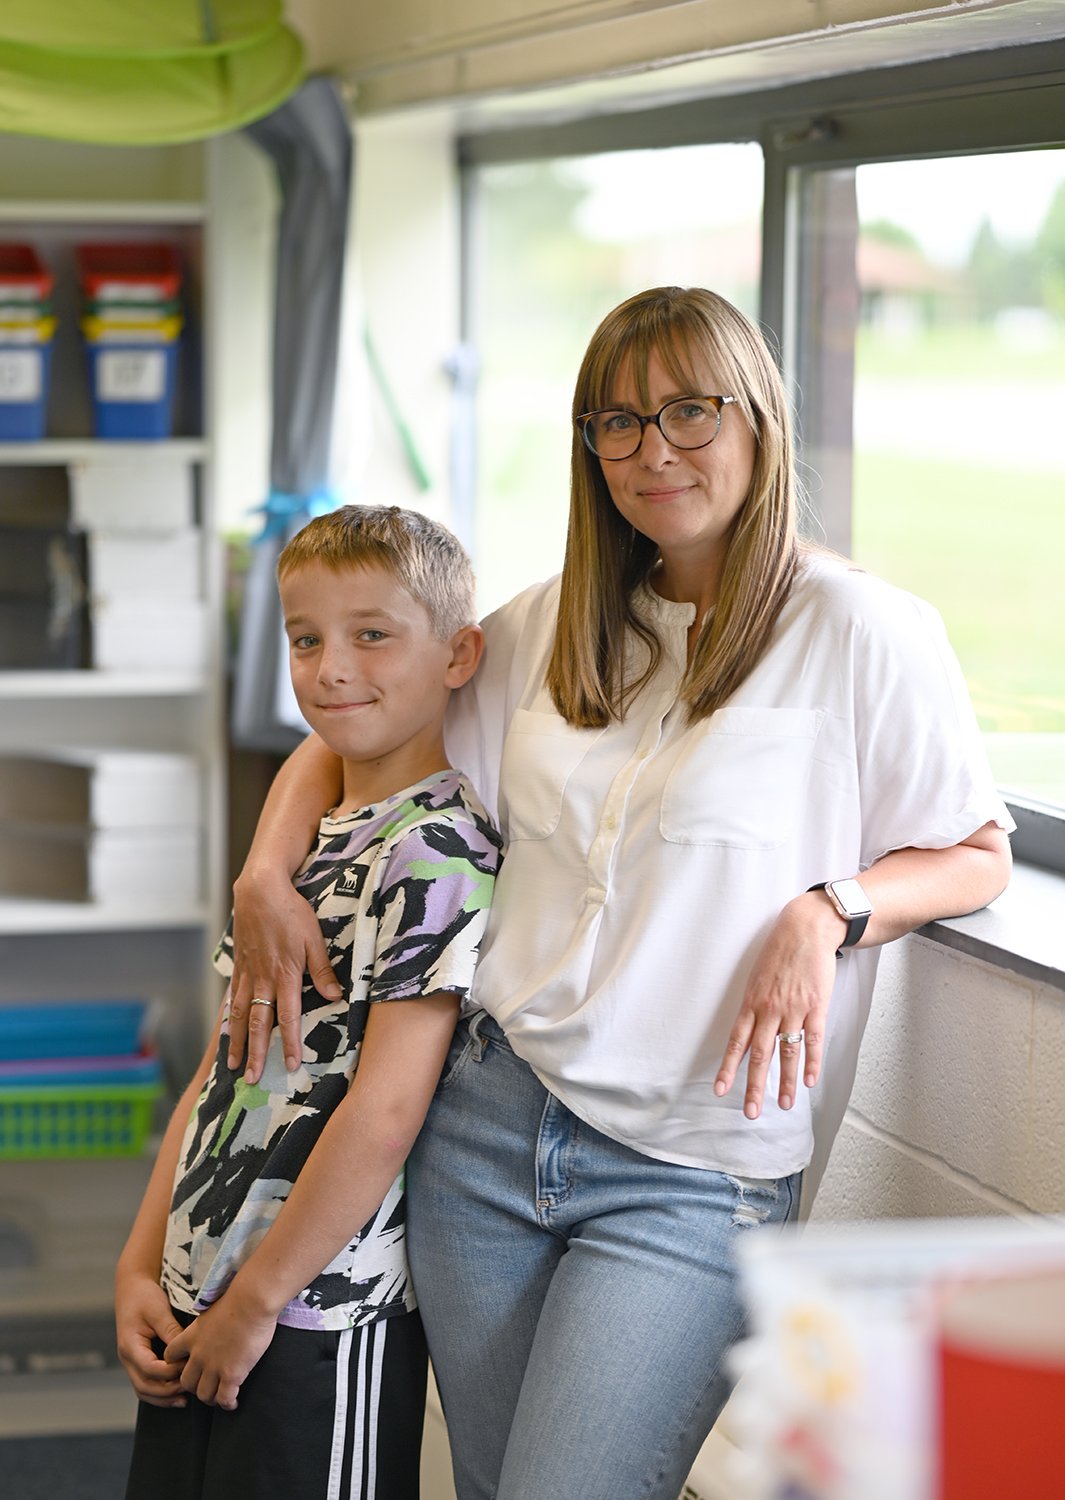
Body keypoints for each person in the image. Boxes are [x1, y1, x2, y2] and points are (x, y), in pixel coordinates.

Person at [224, 287, 1013, 1500]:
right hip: (485, 1127)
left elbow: (975, 851)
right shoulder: (550, 626)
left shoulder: (862, 631)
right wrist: (264, 874)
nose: (655, 451)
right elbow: (351, 729)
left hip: (693, 1173)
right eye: (618, 421)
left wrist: (830, 909)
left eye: (690, 411)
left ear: (757, 420)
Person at [115, 505, 503, 1500]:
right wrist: (139, 1265)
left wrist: (258, 1301)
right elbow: (221, 1068)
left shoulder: (438, 853)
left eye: (372, 635)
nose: (331, 669)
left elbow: (384, 1113)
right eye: (305, 639)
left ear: (459, 654)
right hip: (202, 1283)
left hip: (312, 1315)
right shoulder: (300, 850)